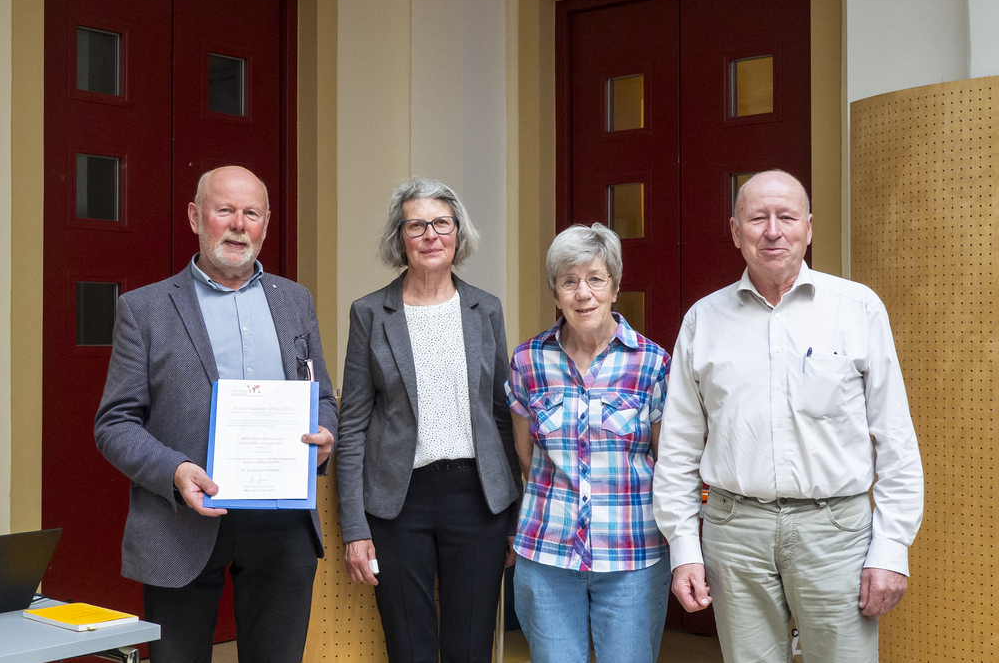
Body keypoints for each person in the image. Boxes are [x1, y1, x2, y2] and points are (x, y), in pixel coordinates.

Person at [652, 170, 924, 662]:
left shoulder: (858, 309)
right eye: (758, 218)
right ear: (736, 232)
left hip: (836, 533)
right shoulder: (703, 321)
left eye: (787, 217)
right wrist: (683, 546)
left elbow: (896, 439)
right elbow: (678, 447)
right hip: (734, 532)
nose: (773, 231)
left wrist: (891, 547)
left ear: (809, 228)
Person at [94, 166, 337, 663]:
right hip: (181, 519)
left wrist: (326, 434)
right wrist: (175, 471)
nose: (238, 225)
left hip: (282, 520)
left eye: (251, 213)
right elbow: (114, 424)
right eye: (224, 210)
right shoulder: (144, 309)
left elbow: (324, 399)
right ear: (194, 217)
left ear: (266, 224)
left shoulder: (295, 301)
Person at [336, 177, 520, 663]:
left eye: (442, 223)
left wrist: (513, 516)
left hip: (478, 499)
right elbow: (352, 426)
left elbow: (501, 416)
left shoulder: (486, 309)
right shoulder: (370, 313)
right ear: (400, 238)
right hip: (398, 504)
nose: (430, 235)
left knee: (470, 648)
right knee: (409, 648)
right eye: (416, 226)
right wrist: (354, 528)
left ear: (458, 233)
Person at [507, 223, 670, 663]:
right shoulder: (527, 361)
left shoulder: (652, 363)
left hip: (632, 555)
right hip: (547, 554)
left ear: (615, 288)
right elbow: (525, 455)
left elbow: (667, 461)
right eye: (569, 281)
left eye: (596, 279)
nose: (584, 293)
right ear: (555, 293)